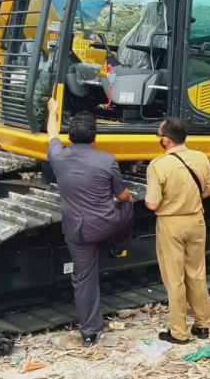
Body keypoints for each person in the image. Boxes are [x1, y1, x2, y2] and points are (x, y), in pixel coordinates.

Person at [46, 99, 135, 346]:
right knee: (127, 206)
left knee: (84, 278)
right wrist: (129, 197)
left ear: (70, 137)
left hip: (78, 231)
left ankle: (89, 332)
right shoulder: (107, 160)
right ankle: (119, 247)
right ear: (95, 137)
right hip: (107, 225)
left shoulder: (58, 156)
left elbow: (52, 135)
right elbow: (121, 195)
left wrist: (52, 111)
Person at [145, 117, 210, 344]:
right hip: (196, 221)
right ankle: (203, 324)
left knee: (174, 279)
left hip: (171, 223)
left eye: (159, 135)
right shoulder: (201, 158)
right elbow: (209, 191)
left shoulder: (158, 165)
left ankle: (179, 331)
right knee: (196, 272)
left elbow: (152, 204)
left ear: (166, 140)